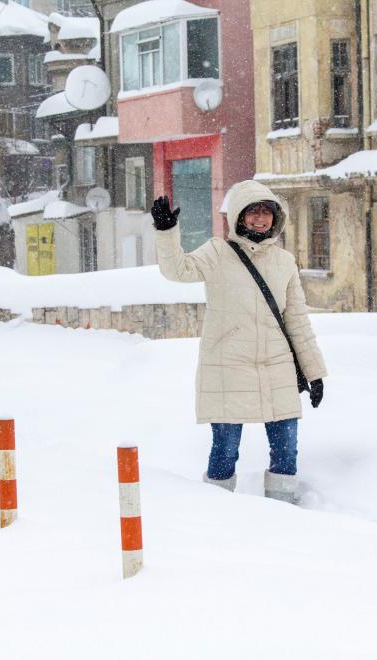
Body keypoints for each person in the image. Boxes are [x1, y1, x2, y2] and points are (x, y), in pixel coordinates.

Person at [151, 180, 327, 504]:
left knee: (286, 450)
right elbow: (178, 269)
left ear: (275, 218)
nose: (260, 219)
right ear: (239, 217)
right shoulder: (218, 253)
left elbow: (298, 321)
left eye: (266, 212)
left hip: (277, 368)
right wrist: (166, 232)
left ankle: (282, 511)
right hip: (228, 368)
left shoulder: (284, 262)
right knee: (225, 450)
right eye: (253, 212)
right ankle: (218, 513)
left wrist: (314, 372)